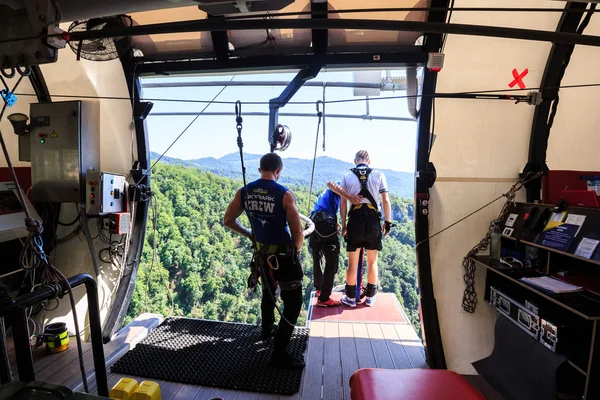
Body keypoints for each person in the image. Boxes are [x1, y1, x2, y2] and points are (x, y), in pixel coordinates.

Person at [224, 153, 305, 370]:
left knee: (269, 290)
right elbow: (297, 232)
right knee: (293, 302)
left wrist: (250, 234)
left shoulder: (244, 192)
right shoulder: (285, 195)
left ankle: (267, 328)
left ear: (260, 170)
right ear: (278, 171)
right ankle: (279, 352)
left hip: (262, 255)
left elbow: (228, 220)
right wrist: (296, 252)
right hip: (283, 256)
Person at [331, 150, 392, 308]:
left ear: (355, 160)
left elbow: (343, 204)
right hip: (372, 220)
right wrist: (388, 221)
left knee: (353, 263)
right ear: (369, 161)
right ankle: (370, 297)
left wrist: (344, 225)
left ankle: (350, 298)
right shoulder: (378, 174)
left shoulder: (347, 176)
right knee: (372, 262)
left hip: (355, 221)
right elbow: (385, 199)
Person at [309, 182, 361, 307]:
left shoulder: (327, 196)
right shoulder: (340, 186)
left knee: (317, 257)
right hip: (325, 223)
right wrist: (349, 196)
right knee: (332, 264)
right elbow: (330, 184)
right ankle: (324, 298)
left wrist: (334, 224)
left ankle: (319, 288)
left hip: (314, 222)